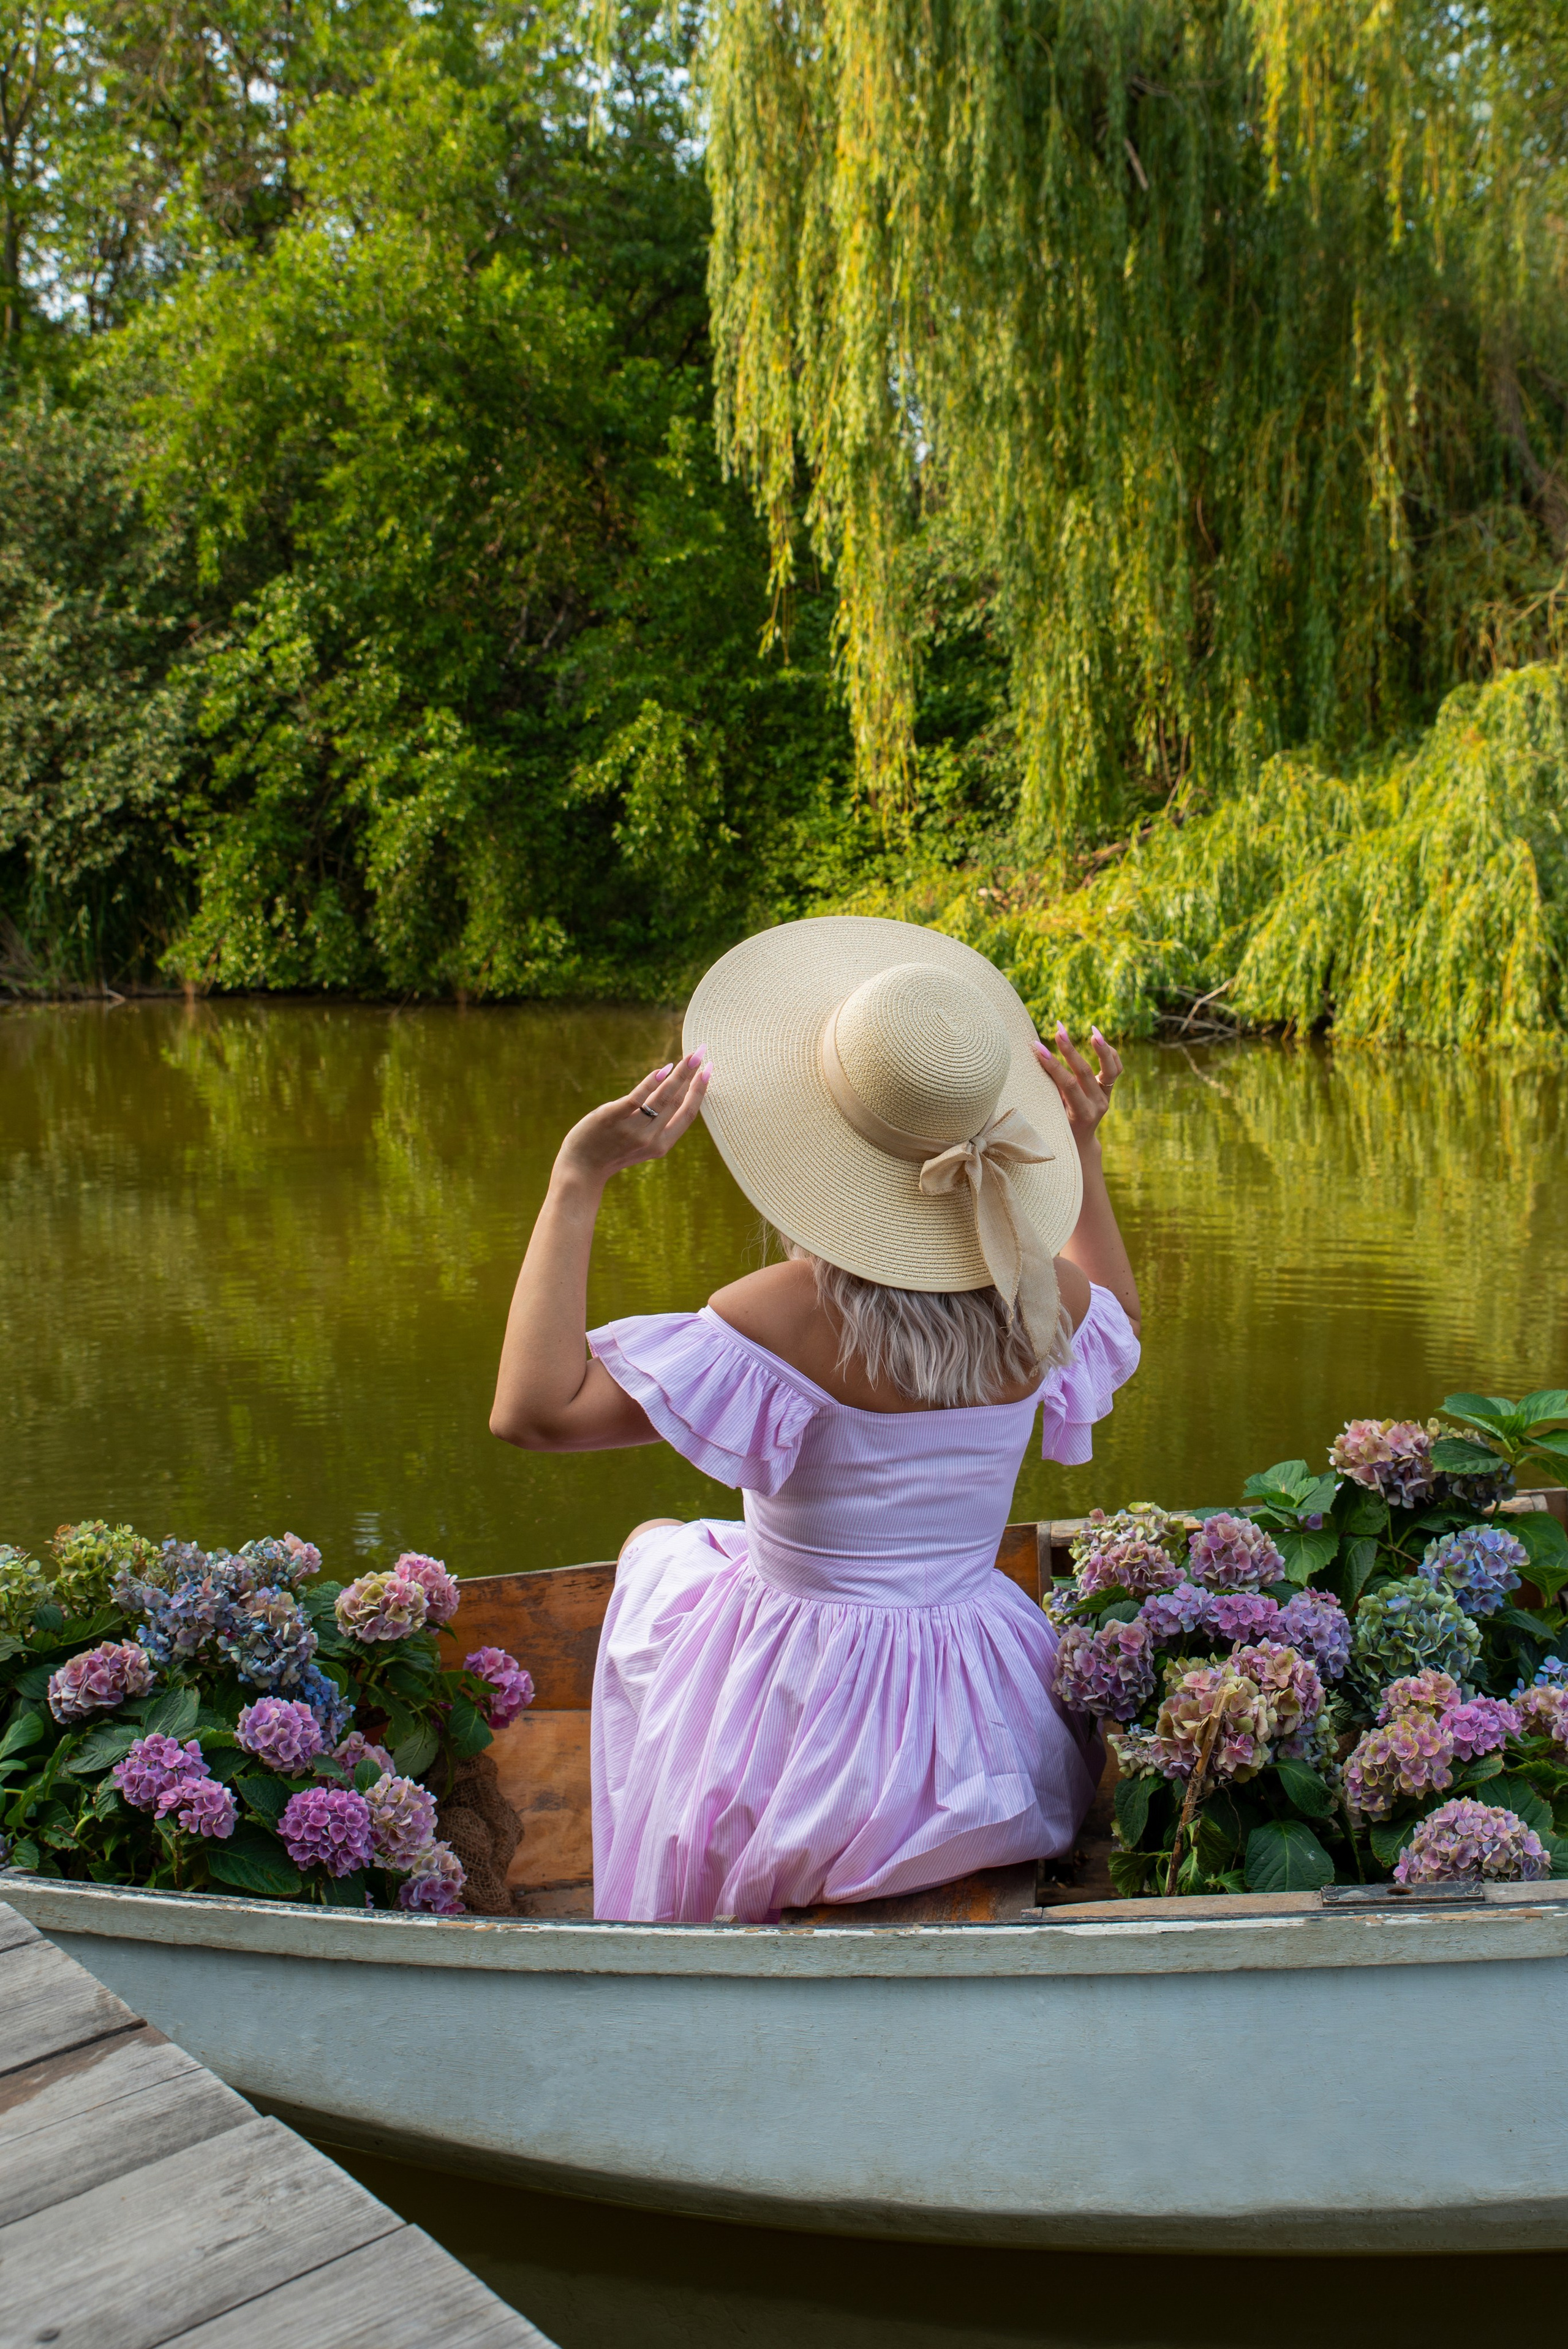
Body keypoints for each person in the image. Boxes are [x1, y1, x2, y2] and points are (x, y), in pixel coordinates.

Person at [490, 916, 1141, 1923]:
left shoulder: (785, 1316)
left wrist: (576, 1182)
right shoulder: (1047, 1301)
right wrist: (1084, 1152)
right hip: (980, 1702)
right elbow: (1122, 1318)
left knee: (659, 1550)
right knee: (688, 1550)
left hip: (811, 1715)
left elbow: (535, 1413)